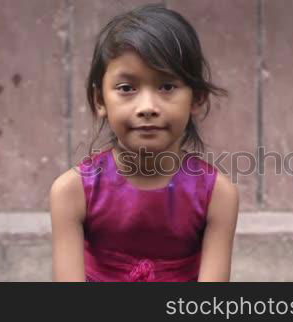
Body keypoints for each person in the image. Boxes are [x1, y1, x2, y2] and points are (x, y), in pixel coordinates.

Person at [49, 4, 239, 282]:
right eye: (127, 88)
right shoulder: (72, 192)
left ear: (197, 99)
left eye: (167, 87)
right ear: (100, 100)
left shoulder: (217, 196)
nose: (147, 107)